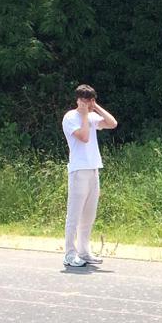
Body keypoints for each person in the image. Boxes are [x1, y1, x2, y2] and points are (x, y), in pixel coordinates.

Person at [61, 84, 117, 269]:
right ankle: (70, 253)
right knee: (74, 214)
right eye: (84, 99)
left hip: (93, 169)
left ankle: (84, 251)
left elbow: (112, 123)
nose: (87, 103)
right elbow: (84, 137)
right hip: (78, 170)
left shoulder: (92, 116)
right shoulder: (71, 117)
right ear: (77, 100)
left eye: (90, 99)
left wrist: (96, 107)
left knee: (89, 215)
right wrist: (85, 114)